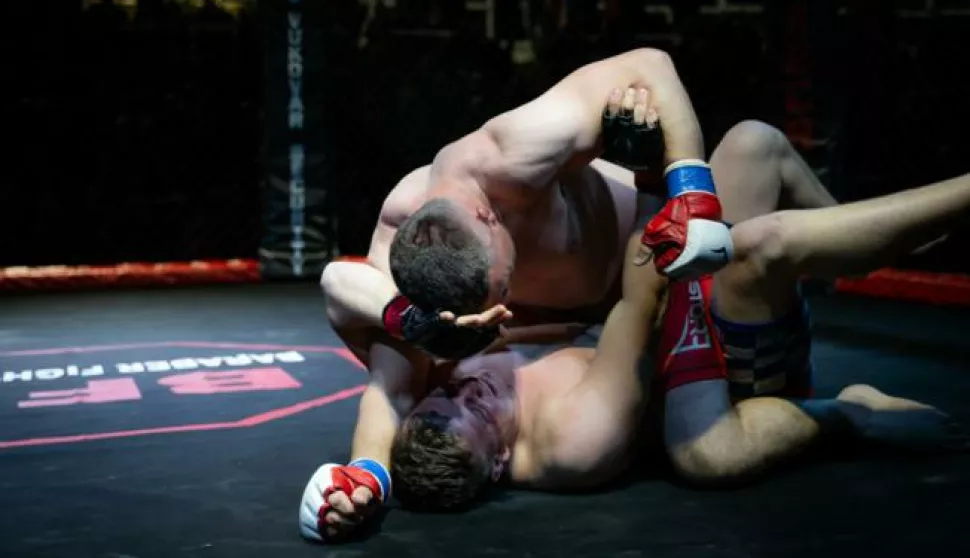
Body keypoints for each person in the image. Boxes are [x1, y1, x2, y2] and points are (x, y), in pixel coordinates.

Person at [301, 48, 733, 542]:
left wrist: (689, 187)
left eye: (501, 288)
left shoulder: (514, 153)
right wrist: (368, 474)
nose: (499, 310)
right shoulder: (414, 265)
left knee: (753, 161)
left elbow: (651, 64)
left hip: (648, 246)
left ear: (489, 219)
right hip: (646, 281)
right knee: (708, 450)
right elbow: (377, 360)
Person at [380, 170, 970, 513]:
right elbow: (642, 301)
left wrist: (364, 470)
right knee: (761, 245)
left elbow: (343, 292)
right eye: (478, 411)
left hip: (669, 317)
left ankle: (872, 244)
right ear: (500, 462)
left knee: (753, 146)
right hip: (727, 372)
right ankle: (852, 411)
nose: (470, 391)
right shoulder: (575, 438)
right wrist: (655, 191)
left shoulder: (448, 383)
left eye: (449, 397)